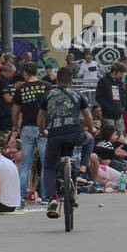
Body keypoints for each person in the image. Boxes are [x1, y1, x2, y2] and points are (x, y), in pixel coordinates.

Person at [39, 66, 93, 219]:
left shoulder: (49, 95)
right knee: (90, 140)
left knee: (49, 167)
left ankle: (52, 199)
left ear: (57, 80)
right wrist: (91, 127)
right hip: (75, 134)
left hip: (55, 135)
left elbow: (41, 116)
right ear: (72, 80)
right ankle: (82, 170)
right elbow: (87, 116)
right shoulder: (77, 94)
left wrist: (42, 131)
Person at [11, 60, 50, 203]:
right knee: (46, 163)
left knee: (26, 163)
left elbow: (15, 111)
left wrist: (16, 125)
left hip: (27, 127)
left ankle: (20, 197)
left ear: (25, 73)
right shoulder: (47, 87)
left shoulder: (21, 89)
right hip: (43, 128)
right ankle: (47, 195)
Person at [95, 62, 126, 131]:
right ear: (115, 72)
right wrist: (109, 108)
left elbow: (123, 95)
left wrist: (123, 107)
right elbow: (98, 97)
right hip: (108, 115)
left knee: (119, 136)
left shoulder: (119, 82)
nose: (121, 76)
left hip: (118, 115)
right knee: (109, 135)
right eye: (120, 73)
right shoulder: (103, 81)